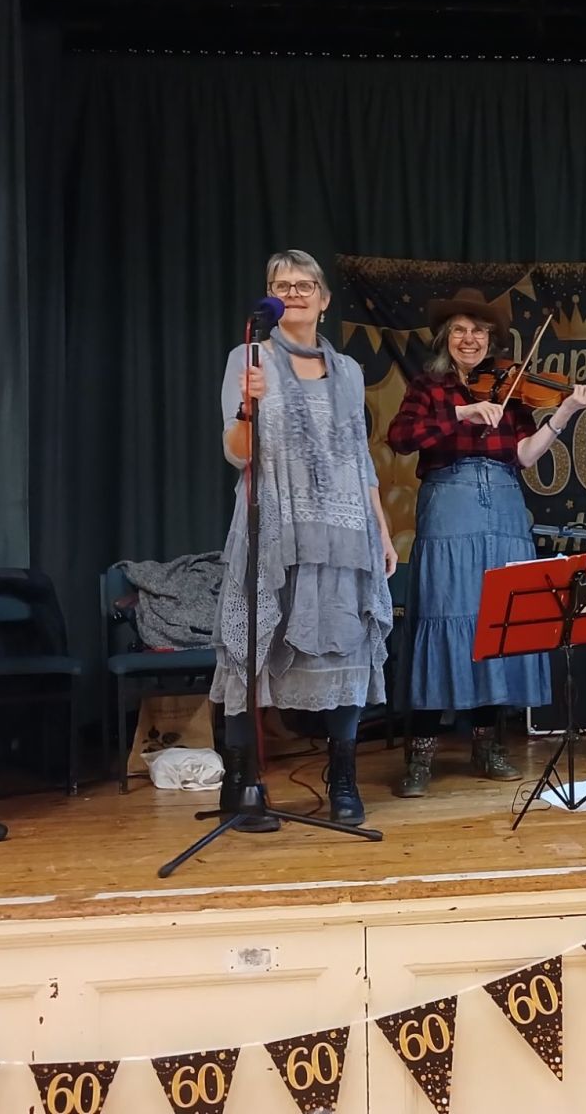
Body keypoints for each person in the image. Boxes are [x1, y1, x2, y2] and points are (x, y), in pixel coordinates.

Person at [387, 287, 586, 797]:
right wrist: (461, 414)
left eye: (479, 332)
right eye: (460, 330)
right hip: (451, 500)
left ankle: (488, 744)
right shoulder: (429, 385)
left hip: (505, 504)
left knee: (496, 622)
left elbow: (525, 455)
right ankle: (420, 755)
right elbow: (401, 437)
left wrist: (566, 411)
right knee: (444, 617)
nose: (470, 339)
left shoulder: (511, 387)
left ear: (491, 339)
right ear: (446, 338)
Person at [210, 249, 397, 827]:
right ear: (269, 295)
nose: (293, 293)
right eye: (280, 284)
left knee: (345, 647)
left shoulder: (347, 370)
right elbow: (236, 455)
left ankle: (343, 779)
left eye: (304, 284)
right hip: (275, 529)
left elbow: (357, 458)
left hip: (343, 532)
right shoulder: (249, 357)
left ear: (323, 298)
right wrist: (248, 408)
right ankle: (242, 789)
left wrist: (382, 534)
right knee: (252, 652)